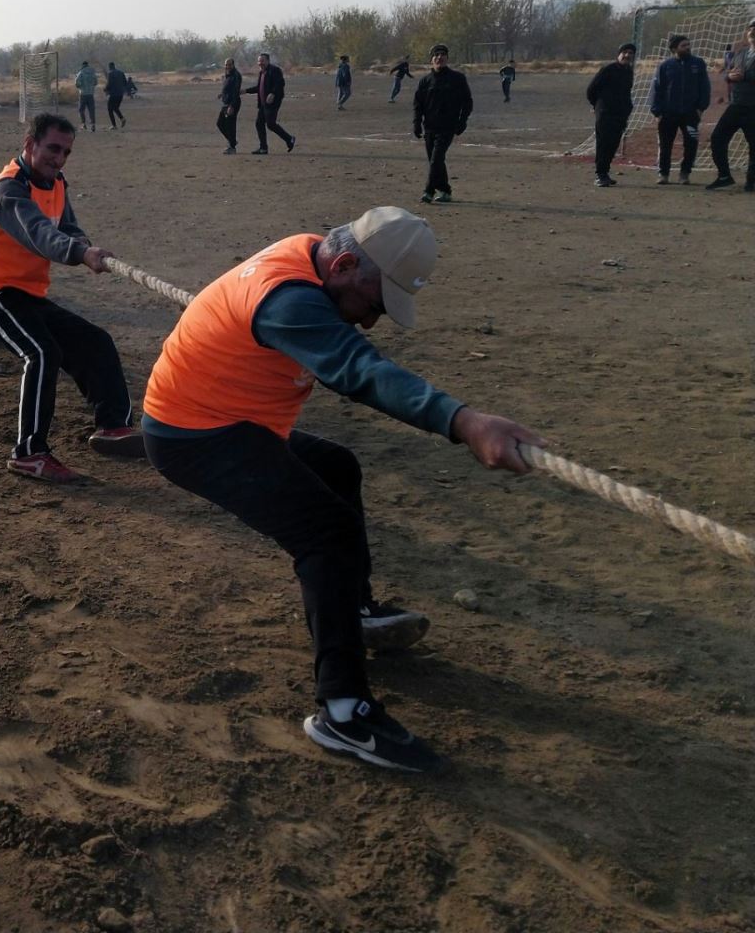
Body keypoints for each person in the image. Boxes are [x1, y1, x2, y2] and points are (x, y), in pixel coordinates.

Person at [141, 206, 543, 772]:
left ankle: (353, 609)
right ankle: (343, 711)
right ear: (345, 264)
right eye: (373, 305)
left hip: (233, 420)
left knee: (337, 468)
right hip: (195, 435)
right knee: (325, 534)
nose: (370, 322)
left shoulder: (316, 256)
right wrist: (465, 422)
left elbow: (355, 353)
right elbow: (360, 370)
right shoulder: (287, 298)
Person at [0, 113, 142, 483]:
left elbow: (66, 226)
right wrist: (80, 254)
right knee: (42, 354)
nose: (59, 159)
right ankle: (29, 454)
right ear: (30, 144)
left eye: (66, 152)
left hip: (28, 294)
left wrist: (84, 244)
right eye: (53, 149)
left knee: (96, 341)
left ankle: (114, 428)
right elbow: (38, 233)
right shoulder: (7, 189)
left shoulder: (56, 182)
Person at [646, 33, 710, 184]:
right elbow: (657, 89)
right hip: (668, 113)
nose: (687, 48)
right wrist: (657, 112)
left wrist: (701, 108)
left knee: (691, 144)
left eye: (688, 45)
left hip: (690, 113)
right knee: (665, 145)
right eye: (683, 45)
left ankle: (685, 173)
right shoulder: (665, 66)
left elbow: (705, 87)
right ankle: (663, 174)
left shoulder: (698, 63)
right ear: (674, 49)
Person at [412, 43, 471, 203]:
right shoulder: (425, 81)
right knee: (436, 161)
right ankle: (445, 191)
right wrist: (417, 123)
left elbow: (467, 102)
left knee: (436, 160)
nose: (439, 57)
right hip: (429, 128)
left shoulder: (457, 79)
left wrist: (462, 121)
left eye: (442, 54)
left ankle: (428, 191)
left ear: (447, 58)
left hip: (447, 127)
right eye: (436, 55)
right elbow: (418, 104)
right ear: (431, 60)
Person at [706, 19, 755, 192]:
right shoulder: (741, 53)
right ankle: (724, 176)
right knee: (717, 138)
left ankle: (751, 182)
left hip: (753, 107)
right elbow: (728, 72)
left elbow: (745, 75)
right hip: (736, 105)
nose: (753, 32)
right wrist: (729, 76)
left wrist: (745, 77)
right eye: (751, 29)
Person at [586, 43, 636, 187]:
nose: (627, 55)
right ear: (619, 54)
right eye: (624, 52)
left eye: (630, 53)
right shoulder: (608, 69)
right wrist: (597, 105)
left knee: (613, 144)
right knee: (604, 143)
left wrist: (628, 107)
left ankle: (605, 173)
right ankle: (600, 174)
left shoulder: (628, 71)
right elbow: (591, 89)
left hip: (621, 114)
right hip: (606, 113)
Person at [245, 52, 294, 154]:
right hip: (263, 103)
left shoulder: (275, 70)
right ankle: (263, 148)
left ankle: (289, 139)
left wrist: (273, 93)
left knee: (271, 124)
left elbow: (280, 83)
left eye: (262, 61)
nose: (260, 63)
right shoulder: (261, 73)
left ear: (268, 61)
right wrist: (245, 91)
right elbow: (258, 88)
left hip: (273, 102)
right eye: (259, 61)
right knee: (259, 123)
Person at [215, 57, 241, 153]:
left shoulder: (236, 75)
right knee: (220, 123)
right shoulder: (228, 74)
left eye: (229, 64)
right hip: (226, 103)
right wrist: (222, 94)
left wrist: (232, 106)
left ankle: (232, 147)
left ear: (233, 65)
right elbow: (228, 88)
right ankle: (232, 141)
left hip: (233, 103)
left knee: (230, 125)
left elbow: (235, 92)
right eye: (226, 65)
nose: (227, 66)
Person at [73, 61, 97, 132]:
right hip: (90, 94)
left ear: (83, 65)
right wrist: (91, 86)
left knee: (81, 110)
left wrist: (80, 87)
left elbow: (77, 83)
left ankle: (83, 124)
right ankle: (93, 124)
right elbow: (96, 82)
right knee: (91, 110)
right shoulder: (92, 72)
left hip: (83, 94)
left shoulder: (81, 72)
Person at [105, 62, 129, 128]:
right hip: (120, 94)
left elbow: (109, 84)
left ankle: (114, 125)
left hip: (113, 94)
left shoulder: (110, 73)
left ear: (109, 67)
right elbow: (125, 83)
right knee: (115, 108)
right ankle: (122, 119)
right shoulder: (121, 73)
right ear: (114, 66)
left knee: (110, 109)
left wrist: (105, 89)